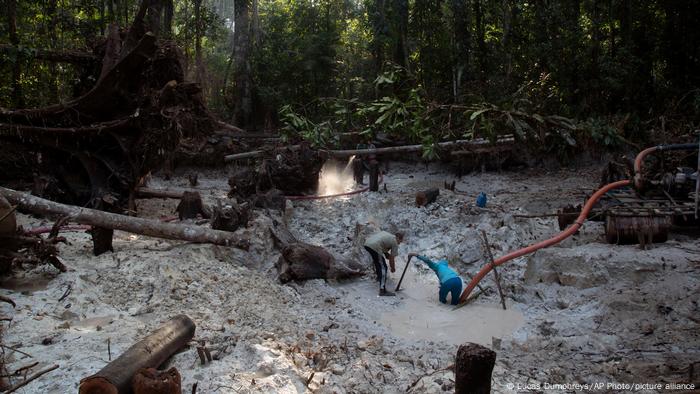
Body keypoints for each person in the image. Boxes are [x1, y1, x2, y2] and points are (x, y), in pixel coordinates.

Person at [364, 230, 404, 296]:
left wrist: (386, 254)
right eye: (400, 241)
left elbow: (382, 243)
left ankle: (379, 278)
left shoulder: (388, 235)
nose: (400, 243)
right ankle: (382, 290)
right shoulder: (395, 242)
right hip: (375, 246)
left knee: (378, 263)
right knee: (383, 267)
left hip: (367, 244)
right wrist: (393, 268)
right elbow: (392, 258)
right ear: (399, 238)